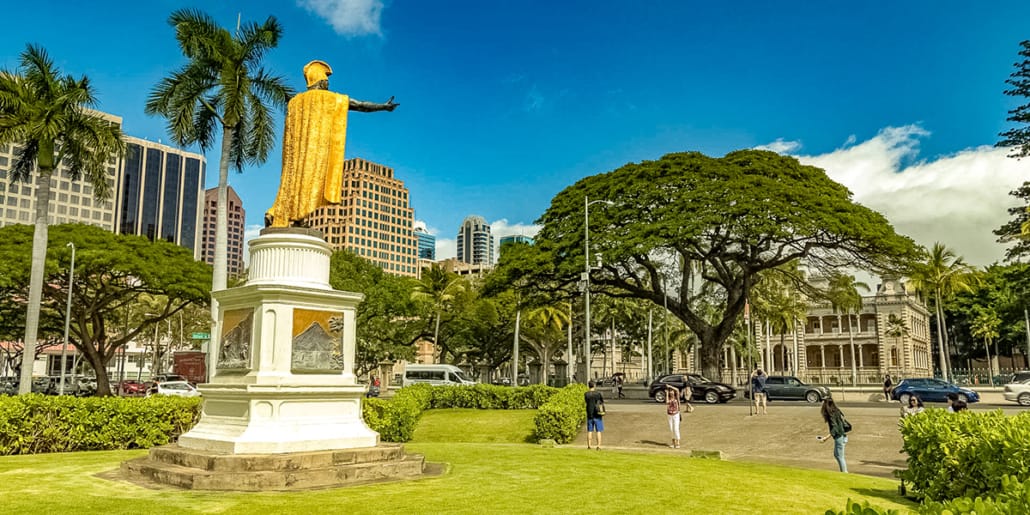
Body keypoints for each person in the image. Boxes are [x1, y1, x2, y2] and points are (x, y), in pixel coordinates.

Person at [265, 60, 398, 227]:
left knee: (292, 181)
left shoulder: (295, 102)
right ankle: (298, 216)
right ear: (322, 82)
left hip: (295, 156)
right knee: (311, 181)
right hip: (316, 151)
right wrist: (383, 107)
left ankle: (278, 213)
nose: (327, 84)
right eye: (326, 81)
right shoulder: (330, 98)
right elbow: (360, 105)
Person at [818, 397, 850, 473]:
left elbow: (834, 428)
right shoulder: (837, 411)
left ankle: (844, 472)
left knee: (840, 456)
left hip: (839, 436)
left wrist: (825, 438)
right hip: (842, 435)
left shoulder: (831, 414)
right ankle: (843, 471)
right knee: (836, 455)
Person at [584, 380, 605, 450]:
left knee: (590, 430)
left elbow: (586, 402)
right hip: (597, 414)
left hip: (590, 413)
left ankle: (589, 445)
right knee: (598, 430)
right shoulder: (598, 394)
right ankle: (598, 446)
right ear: (594, 386)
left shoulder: (586, 394)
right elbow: (602, 401)